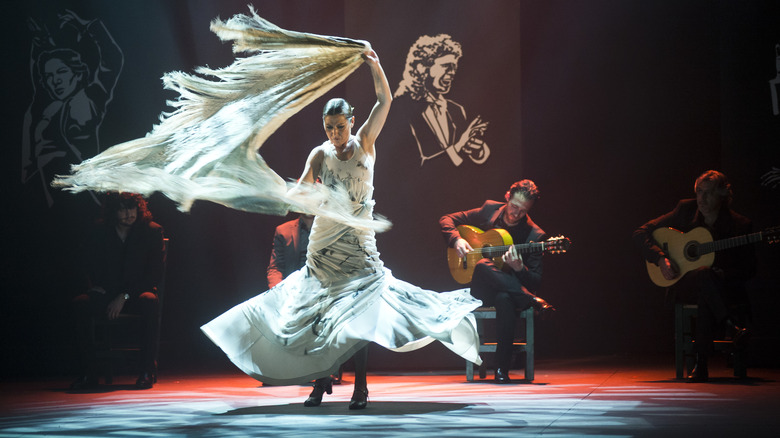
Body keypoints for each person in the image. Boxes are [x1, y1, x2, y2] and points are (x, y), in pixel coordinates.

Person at [201, 47, 482, 410]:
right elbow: (299, 195)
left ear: (352, 121)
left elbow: (386, 99)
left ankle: (361, 386)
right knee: (322, 313)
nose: (335, 133)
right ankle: (320, 383)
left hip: (359, 244)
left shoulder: (365, 143)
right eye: (329, 128)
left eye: (340, 126)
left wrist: (376, 65)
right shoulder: (319, 154)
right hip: (325, 244)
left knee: (360, 317)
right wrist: (268, 187)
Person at [633, 170, 755, 382]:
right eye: (699, 192)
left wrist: (724, 274)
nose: (701, 199)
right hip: (684, 284)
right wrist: (661, 258)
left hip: (722, 289)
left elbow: (749, 270)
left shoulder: (740, 226)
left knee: (706, 280)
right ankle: (730, 327)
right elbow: (640, 233)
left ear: (723, 195)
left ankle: (701, 362)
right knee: (704, 276)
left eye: (708, 193)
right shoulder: (685, 210)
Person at [440, 179, 555, 383]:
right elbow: (447, 219)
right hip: (481, 289)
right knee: (483, 265)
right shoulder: (488, 209)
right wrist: (456, 239)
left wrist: (520, 268)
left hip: (510, 292)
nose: (515, 213)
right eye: (513, 206)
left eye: (522, 210)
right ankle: (532, 301)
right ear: (507, 197)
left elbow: (535, 280)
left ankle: (501, 369)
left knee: (504, 298)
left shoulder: (534, 236)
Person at [70, 192, 165, 390]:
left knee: (150, 301)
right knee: (81, 303)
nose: (128, 214)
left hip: (137, 293)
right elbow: (87, 265)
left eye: (131, 208)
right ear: (113, 211)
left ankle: (147, 370)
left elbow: (153, 275)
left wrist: (125, 295)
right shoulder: (99, 231)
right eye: (122, 208)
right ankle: (89, 373)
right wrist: (100, 289)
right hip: (107, 292)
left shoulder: (151, 231)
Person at [394, 34, 489, 167]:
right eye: (445, 66)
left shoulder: (455, 109)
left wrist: (476, 149)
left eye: (454, 67)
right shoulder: (402, 107)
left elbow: (465, 158)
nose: (452, 72)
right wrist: (460, 145)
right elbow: (413, 166)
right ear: (422, 68)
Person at [267, 214, 314, 289]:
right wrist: (279, 292)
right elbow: (276, 268)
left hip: (323, 292)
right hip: (293, 291)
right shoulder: (283, 230)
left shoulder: (331, 230)